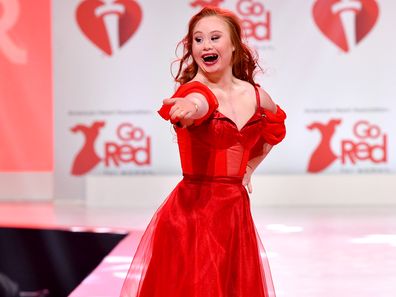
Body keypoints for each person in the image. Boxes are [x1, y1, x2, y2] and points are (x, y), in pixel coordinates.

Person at [120, 6, 286, 297]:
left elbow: (275, 127)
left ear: (234, 45)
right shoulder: (192, 92)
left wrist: (248, 168)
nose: (205, 45)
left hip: (234, 214)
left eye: (214, 37)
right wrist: (190, 109)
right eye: (198, 40)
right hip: (194, 216)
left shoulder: (256, 95)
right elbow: (201, 102)